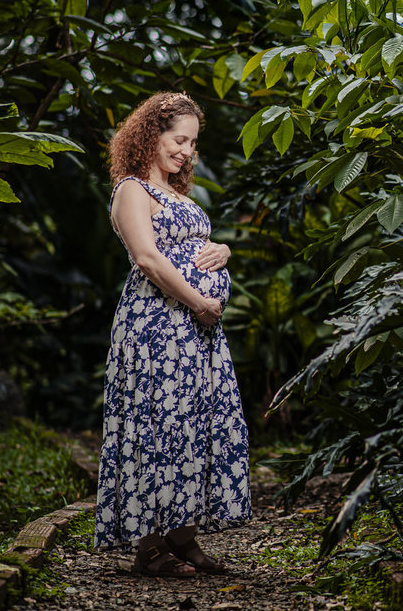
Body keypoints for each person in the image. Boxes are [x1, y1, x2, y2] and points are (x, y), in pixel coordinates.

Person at [95, 91, 252, 577]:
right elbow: (147, 258)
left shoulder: (178, 195)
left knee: (192, 424)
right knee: (156, 424)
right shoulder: (132, 190)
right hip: (157, 329)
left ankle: (183, 537)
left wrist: (222, 250)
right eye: (178, 139)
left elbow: (197, 245)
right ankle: (149, 547)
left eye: (192, 143)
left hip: (195, 332)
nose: (186, 151)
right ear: (151, 135)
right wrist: (200, 302)